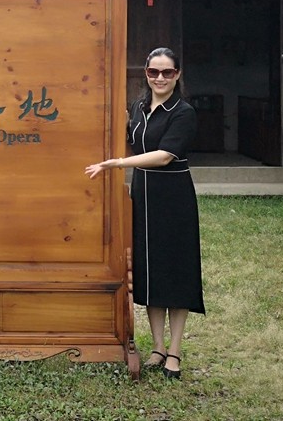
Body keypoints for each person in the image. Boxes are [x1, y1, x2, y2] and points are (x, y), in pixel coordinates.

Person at [84, 47, 205, 380]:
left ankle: (175, 352)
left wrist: (117, 163)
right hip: (142, 195)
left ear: (177, 75)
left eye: (167, 72)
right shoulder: (138, 108)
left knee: (176, 272)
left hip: (173, 197)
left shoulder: (183, 112)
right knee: (150, 271)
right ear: (146, 74)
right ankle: (157, 348)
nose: (160, 78)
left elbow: (164, 156)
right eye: (154, 72)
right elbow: (131, 142)